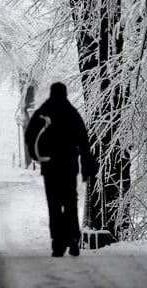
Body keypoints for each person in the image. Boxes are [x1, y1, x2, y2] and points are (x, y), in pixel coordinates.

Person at [24, 82, 94, 257]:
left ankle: (58, 243)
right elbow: (84, 142)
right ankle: (73, 240)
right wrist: (87, 169)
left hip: (50, 166)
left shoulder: (43, 111)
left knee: (54, 204)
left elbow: (30, 134)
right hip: (69, 166)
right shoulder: (72, 113)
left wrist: (35, 155)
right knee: (70, 202)